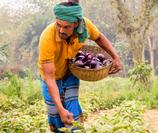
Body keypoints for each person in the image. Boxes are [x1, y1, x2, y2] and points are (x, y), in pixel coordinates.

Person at [38, 1, 121, 132]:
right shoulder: (47, 38)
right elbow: (49, 77)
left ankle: (76, 130)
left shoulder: (85, 26)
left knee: (72, 108)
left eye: (66, 27)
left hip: (70, 72)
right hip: (51, 77)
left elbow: (99, 38)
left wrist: (115, 57)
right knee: (55, 112)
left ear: (76, 24)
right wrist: (60, 109)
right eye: (59, 25)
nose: (61, 30)